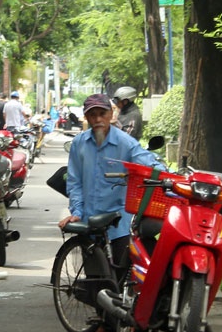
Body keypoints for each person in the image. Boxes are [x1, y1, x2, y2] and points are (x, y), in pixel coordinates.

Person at [59, 94, 164, 282]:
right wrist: (77, 211)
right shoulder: (79, 143)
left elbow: (150, 164)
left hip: (119, 223)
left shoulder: (126, 143)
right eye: (92, 115)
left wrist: (168, 176)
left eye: (102, 113)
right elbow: (75, 182)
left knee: (120, 280)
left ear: (111, 114)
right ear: (86, 117)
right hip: (90, 221)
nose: (98, 119)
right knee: (94, 280)